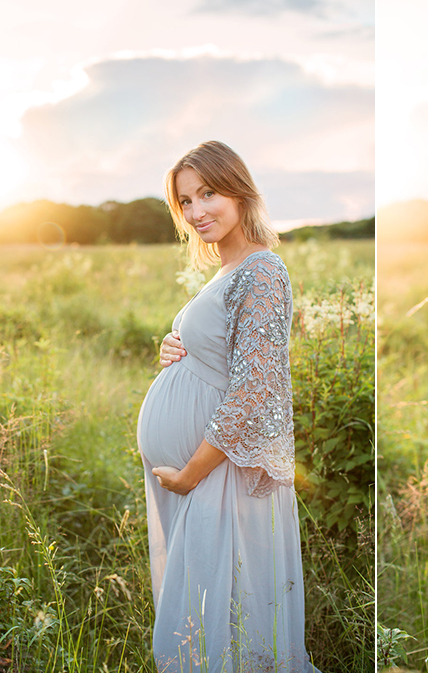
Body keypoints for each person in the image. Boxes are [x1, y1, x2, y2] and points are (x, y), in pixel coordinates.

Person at [136, 141, 319, 672]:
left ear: (239, 189)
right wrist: (172, 348)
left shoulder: (262, 270)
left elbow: (254, 390)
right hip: (204, 472)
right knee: (210, 616)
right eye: (186, 202)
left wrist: (191, 473)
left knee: (232, 617)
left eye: (208, 193)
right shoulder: (225, 271)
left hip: (218, 472)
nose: (196, 213)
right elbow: (221, 357)